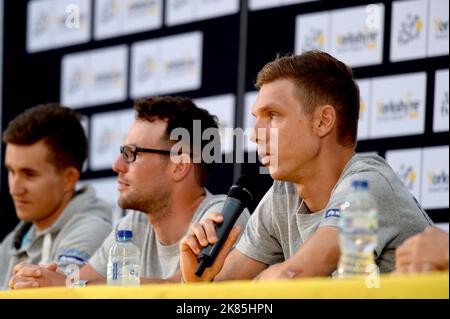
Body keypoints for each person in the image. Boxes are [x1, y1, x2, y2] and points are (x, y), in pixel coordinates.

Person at [179, 51, 433, 283]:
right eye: (257, 119)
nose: (254, 134)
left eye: (273, 115)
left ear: (323, 121)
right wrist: (199, 281)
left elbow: (295, 275)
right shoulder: (283, 195)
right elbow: (224, 288)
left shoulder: (368, 185)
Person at [9, 96, 250, 289]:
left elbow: (182, 286)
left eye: (132, 154)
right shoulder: (134, 224)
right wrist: (40, 280)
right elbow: (75, 282)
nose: (117, 165)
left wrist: (71, 285)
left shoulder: (223, 215)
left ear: (179, 166)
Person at [0, 103, 112, 290]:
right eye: (11, 171)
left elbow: (57, 293)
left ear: (68, 179)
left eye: (29, 174)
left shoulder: (91, 230)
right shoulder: (13, 240)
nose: (15, 189)